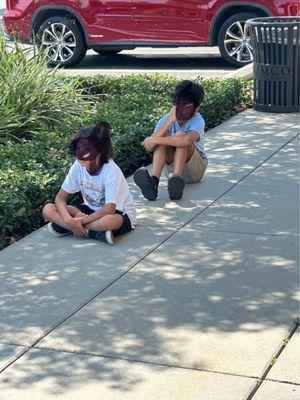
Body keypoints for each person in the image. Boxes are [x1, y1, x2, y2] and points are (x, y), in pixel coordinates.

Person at [42, 123, 136, 245]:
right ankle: (93, 233)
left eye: (87, 149)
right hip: (89, 210)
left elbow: (109, 209)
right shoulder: (78, 165)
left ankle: (70, 228)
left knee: (109, 221)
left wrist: (80, 222)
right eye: (78, 148)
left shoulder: (111, 170)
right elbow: (60, 198)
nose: (81, 153)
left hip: (119, 214)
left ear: (100, 152)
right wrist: (69, 219)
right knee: (48, 209)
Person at [134, 80, 208, 200]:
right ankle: (154, 182)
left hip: (195, 170)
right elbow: (150, 146)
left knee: (180, 135)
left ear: (196, 109)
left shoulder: (197, 120)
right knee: (162, 138)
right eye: (177, 104)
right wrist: (169, 120)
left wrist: (156, 140)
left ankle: (177, 180)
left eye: (186, 105)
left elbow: (186, 141)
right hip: (170, 169)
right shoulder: (165, 120)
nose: (180, 109)